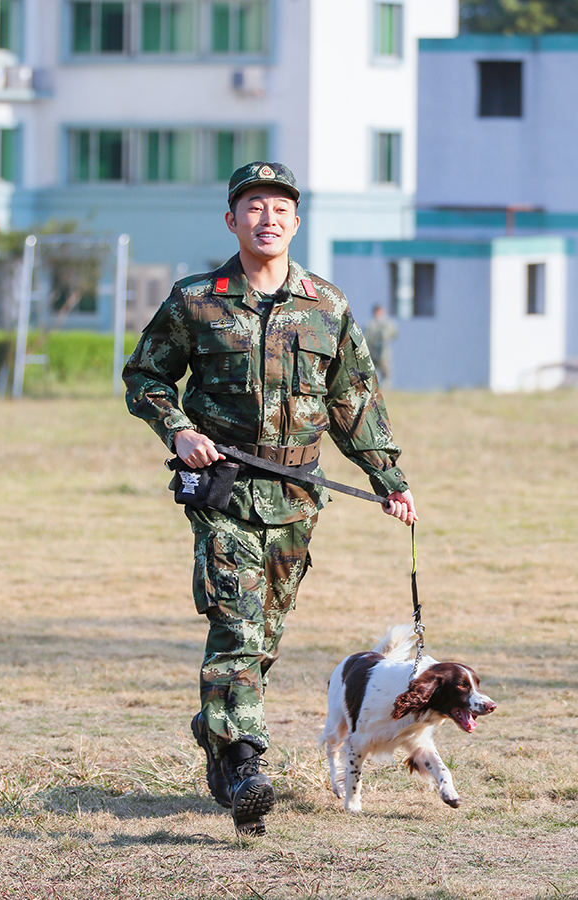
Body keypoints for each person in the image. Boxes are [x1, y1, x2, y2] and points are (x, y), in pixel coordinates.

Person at [122, 161, 417, 837]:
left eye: (281, 207)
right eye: (254, 207)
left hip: (297, 496)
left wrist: (388, 480)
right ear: (233, 220)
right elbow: (146, 377)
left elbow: (354, 404)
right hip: (223, 489)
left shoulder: (327, 306)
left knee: (265, 633)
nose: (268, 218)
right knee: (237, 623)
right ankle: (248, 766)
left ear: (297, 221)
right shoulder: (196, 299)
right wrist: (181, 429)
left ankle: (218, 731)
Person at [364, 304, 398, 385]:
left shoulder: (386, 323)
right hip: (372, 352)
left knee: (387, 374)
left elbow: (394, 334)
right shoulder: (370, 324)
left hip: (384, 353)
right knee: (371, 373)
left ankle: (385, 389)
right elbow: (366, 338)